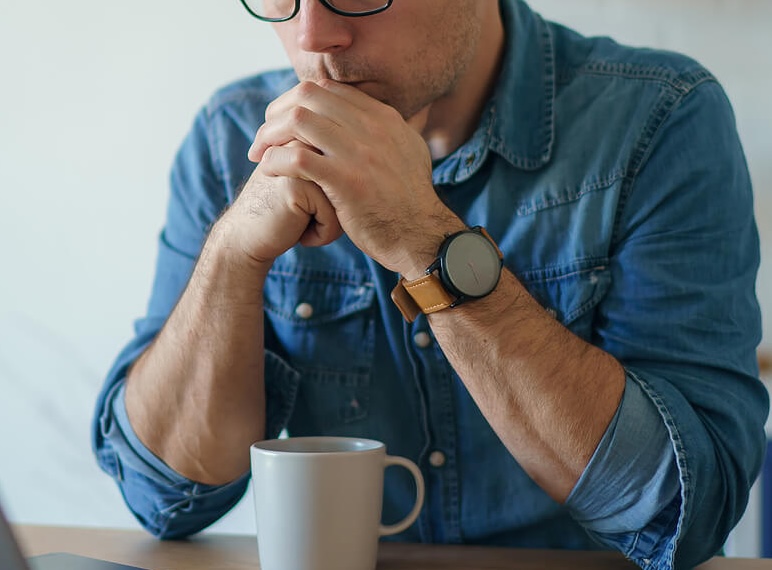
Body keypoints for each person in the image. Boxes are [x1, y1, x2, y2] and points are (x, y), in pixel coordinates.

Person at [91, 0, 767, 568]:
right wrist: (233, 257)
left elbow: (682, 508)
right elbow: (163, 494)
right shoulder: (230, 136)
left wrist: (424, 239)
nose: (312, 35)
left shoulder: (659, 119)